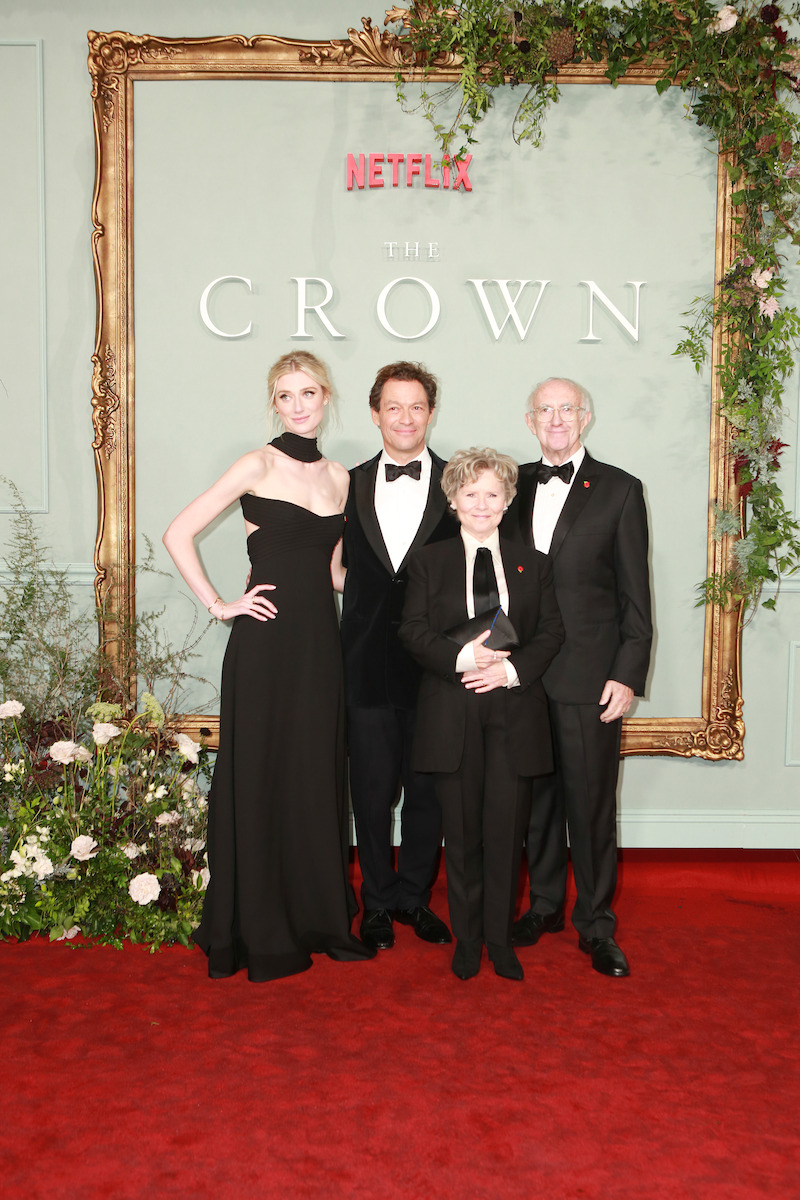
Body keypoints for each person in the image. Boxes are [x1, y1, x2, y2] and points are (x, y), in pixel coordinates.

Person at [162, 351, 374, 982]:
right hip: (264, 644)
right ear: (274, 404)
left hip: (319, 646)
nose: (299, 404)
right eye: (286, 395)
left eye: (309, 392)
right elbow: (179, 532)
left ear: (326, 396)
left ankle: (319, 920)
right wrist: (220, 605)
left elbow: (334, 574)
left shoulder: (341, 478)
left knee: (314, 772)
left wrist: (388, 591)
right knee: (259, 772)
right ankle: (256, 924)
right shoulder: (257, 463)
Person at [503, 377, 652, 978]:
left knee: (589, 805)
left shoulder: (619, 489)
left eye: (568, 409)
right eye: (546, 409)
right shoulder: (507, 486)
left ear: (585, 418)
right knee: (534, 803)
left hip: (591, 677)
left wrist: (628, 673)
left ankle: (595, 924)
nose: (557, 419)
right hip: (521, 674)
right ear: (530, 418)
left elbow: (634, 596)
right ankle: (543, 907)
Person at [399, 448, 564, 981]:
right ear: (453, 500)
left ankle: (500, 940)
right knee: (464, 835)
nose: (482, 503)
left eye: (493, 494)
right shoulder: (428, 561)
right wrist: (463, 658)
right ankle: (467, 942)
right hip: (452, 710)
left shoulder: (533, 563)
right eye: (471, 494)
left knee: (505, 833)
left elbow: (551, 633)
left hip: (514, 710)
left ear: (508, 499)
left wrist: (510, 671)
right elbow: (412, 631)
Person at [340, 361, 454, 952]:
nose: (405, 418)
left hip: (436, 669)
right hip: (364, 664)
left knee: (428, 792)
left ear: (431, 412)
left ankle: (414, 898)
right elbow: (331, 566)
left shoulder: (461, 483)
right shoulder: (348, 481)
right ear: (376, 412)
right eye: (393, 406)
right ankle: (376, 904)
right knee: (372, 790)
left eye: (416, 406)